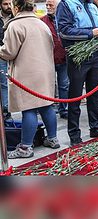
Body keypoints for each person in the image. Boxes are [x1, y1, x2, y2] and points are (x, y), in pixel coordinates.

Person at [0, 0, 60, 158]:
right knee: (46, 106)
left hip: (26, 73)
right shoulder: (42, 24)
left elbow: (9, 53)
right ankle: (53, 139)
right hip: (45, 71)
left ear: (17, 7)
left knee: (29, 109)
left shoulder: (15, 25)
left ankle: (25, 148)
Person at [57, 0, 98, 146]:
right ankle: (74, 133)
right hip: (78, 58)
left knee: (95, 95)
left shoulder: (91, 6)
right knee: (75, 96)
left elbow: (96, 29)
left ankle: (95, 127)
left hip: (95, 55)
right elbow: (64, 31)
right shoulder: (66, 4)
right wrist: (89, 33)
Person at [41, 0, 69, 120]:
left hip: (63, 58)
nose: (48, 7)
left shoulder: (64, 18)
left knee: (64, 85)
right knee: (48, 86)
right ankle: (47, 108)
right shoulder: (42, 21)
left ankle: (64, 109)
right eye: (47, 5)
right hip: (48, 59)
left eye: (50, 5)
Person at [0, 0, 12, 120]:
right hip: (2, 54)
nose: (8, 6)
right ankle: (6, 109)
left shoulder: (15, 17)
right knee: (4, 83)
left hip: (15, 53)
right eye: (5, 4)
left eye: (10, 3)